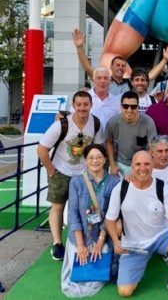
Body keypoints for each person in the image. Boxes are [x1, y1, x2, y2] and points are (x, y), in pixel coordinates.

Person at [105, 151, 168, 300]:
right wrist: (115, 241)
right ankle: (136, 268)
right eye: (138, 164)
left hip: (161, 236)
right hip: (133, 244)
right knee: (125, 292)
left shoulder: (162, 187)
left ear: (152, 166)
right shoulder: (120, 189)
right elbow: (109, 220)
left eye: (147, 164)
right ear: (132, 167)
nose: (142, 168)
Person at [37, 91, 104, 261]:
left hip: (84, 172)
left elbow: (97, 146)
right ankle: (57, 243)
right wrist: (51, 169)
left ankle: (89, 237)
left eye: (85, 104)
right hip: (61, 169)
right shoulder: (61, 125)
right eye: (79, 104)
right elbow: (42, 149)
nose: (82, 108)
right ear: (73, 106)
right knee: (58, 206)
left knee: (88, 206)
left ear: (91, 105)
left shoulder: (95, 123)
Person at [61, 144, 119, 297]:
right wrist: (80, 245)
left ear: (105, 159)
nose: (95, 161)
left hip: (102, 235)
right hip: (81, 234)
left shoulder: (114, 182)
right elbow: (73, 213)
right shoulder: (76, 181)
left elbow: (112, 215)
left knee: (96, 274)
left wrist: (100, 242)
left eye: (99, 157)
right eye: (91, 158)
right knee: (77, 274)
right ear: (85, 161)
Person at [105, 91, 157, 177]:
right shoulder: (113, 122)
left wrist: (141, 166)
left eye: (133, 107)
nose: (129, 110)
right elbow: (109, 142)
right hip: (119, 163)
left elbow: (151, 147)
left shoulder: (148, 122)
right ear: (121, 107)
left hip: (140, 164)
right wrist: (113, 164)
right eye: (125, 106)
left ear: (138, 107)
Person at [72, 29, 131, 95]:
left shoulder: (130, 83)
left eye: (123, 66)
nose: (120, 68)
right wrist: (79, 47)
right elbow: (87, 68)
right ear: (111, 67)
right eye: (118, 65)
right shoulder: (104, 79)